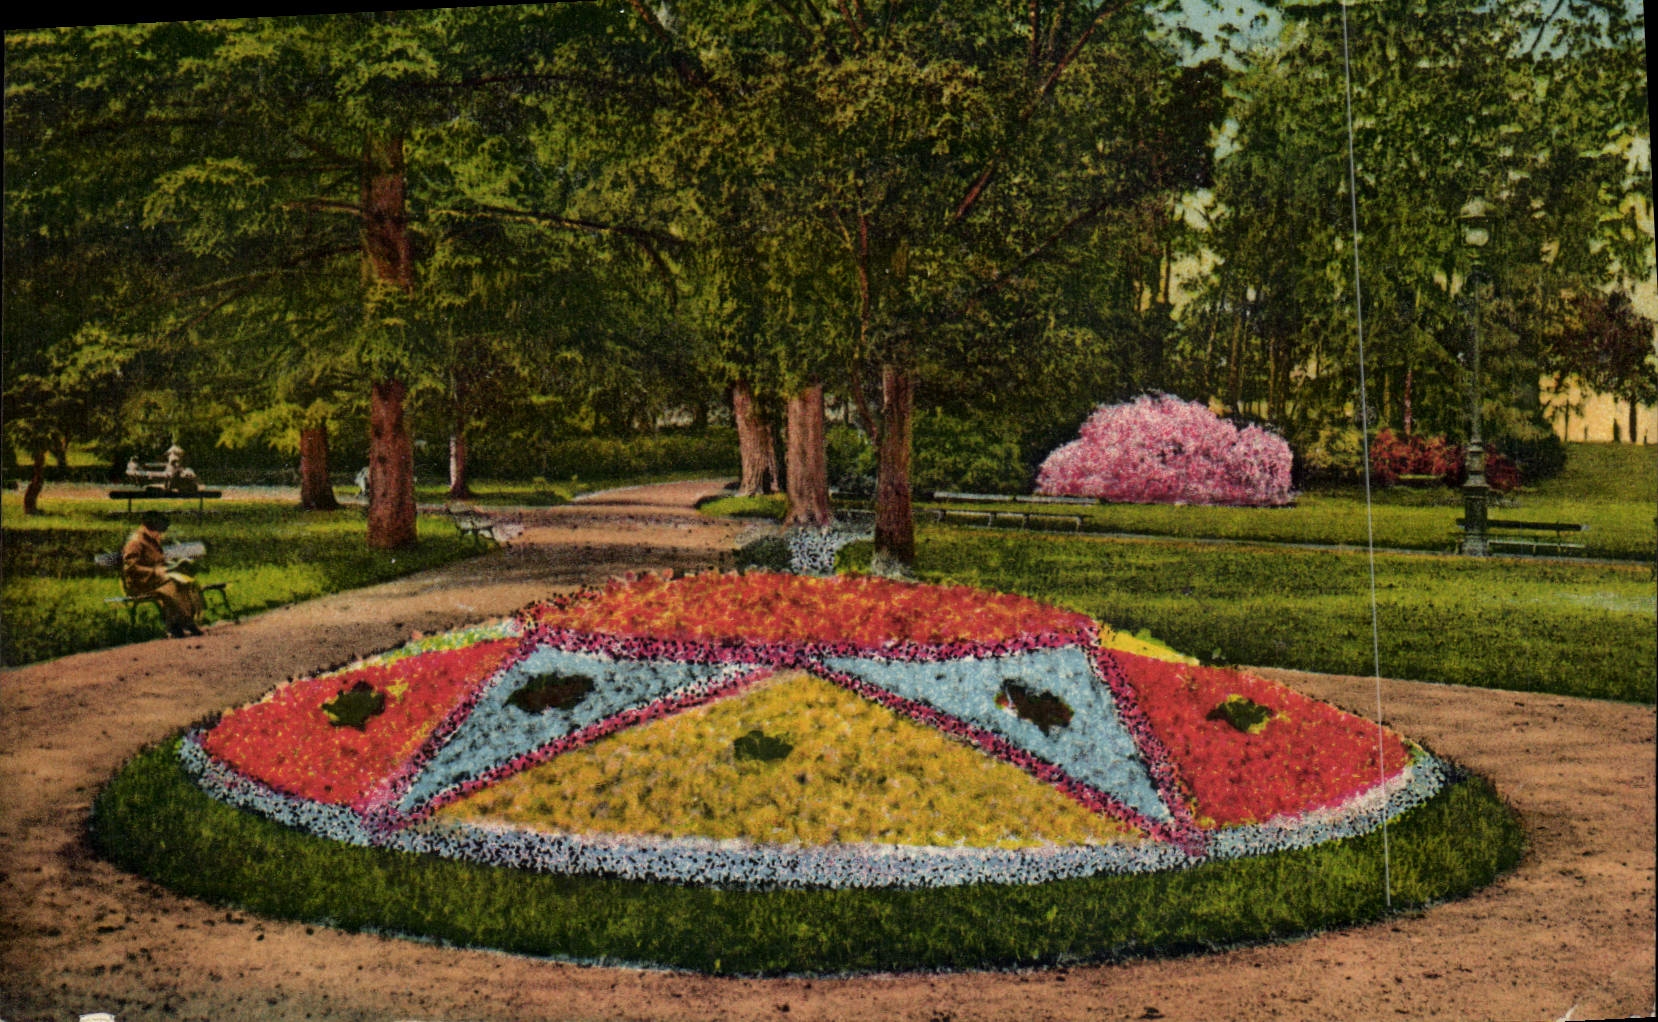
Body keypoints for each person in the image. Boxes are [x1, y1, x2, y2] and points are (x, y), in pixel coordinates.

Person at [121, 510, 206, 638]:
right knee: (171, 586)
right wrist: (154, 571)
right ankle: (175, 625)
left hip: (155, 580)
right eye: (159, 531)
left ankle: (187, 621)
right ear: (149, 528)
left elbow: (157, 560)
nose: (160, 534)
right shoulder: (135, 542)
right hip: (139, 584)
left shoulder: (151, 539)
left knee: (184, 583)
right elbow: (130, 568)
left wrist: (173, 566)